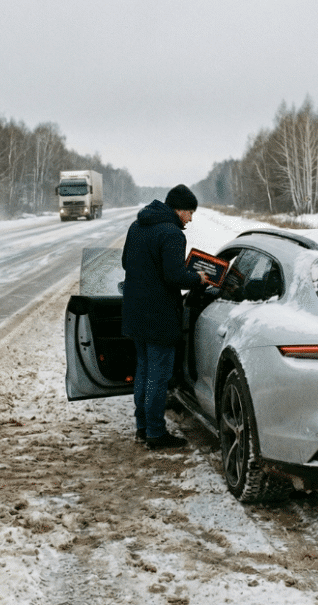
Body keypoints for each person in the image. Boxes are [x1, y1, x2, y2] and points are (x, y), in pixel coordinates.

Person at [121, 184, 213, 450]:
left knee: (143, 371)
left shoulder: (136, 227)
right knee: (158, 376)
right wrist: (198, 277)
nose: (191, 218)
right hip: (159, 314)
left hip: (135, 311)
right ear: (179, 209)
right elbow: (175, 277)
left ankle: (142, 428)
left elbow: (127, 263)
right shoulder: (172, 234)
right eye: (190, 212)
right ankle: (156, 434)